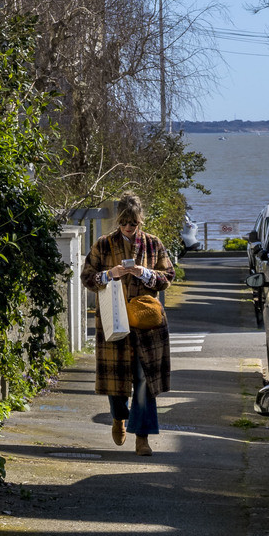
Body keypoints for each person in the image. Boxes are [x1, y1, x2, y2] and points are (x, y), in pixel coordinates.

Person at [81, 189, 175, 455]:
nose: (129, 227)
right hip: (114, 320)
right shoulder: (102, 244)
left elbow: (168, 275)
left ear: (140, 220)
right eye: (124, 222)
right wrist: (109, 274)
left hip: (147, 324)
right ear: (118, 221)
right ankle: (118, 417)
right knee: (116, 379)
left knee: (145, 380)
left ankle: (142, 437)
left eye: (133, 223)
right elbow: (87, 277)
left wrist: (144, 273)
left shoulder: (154, 244)